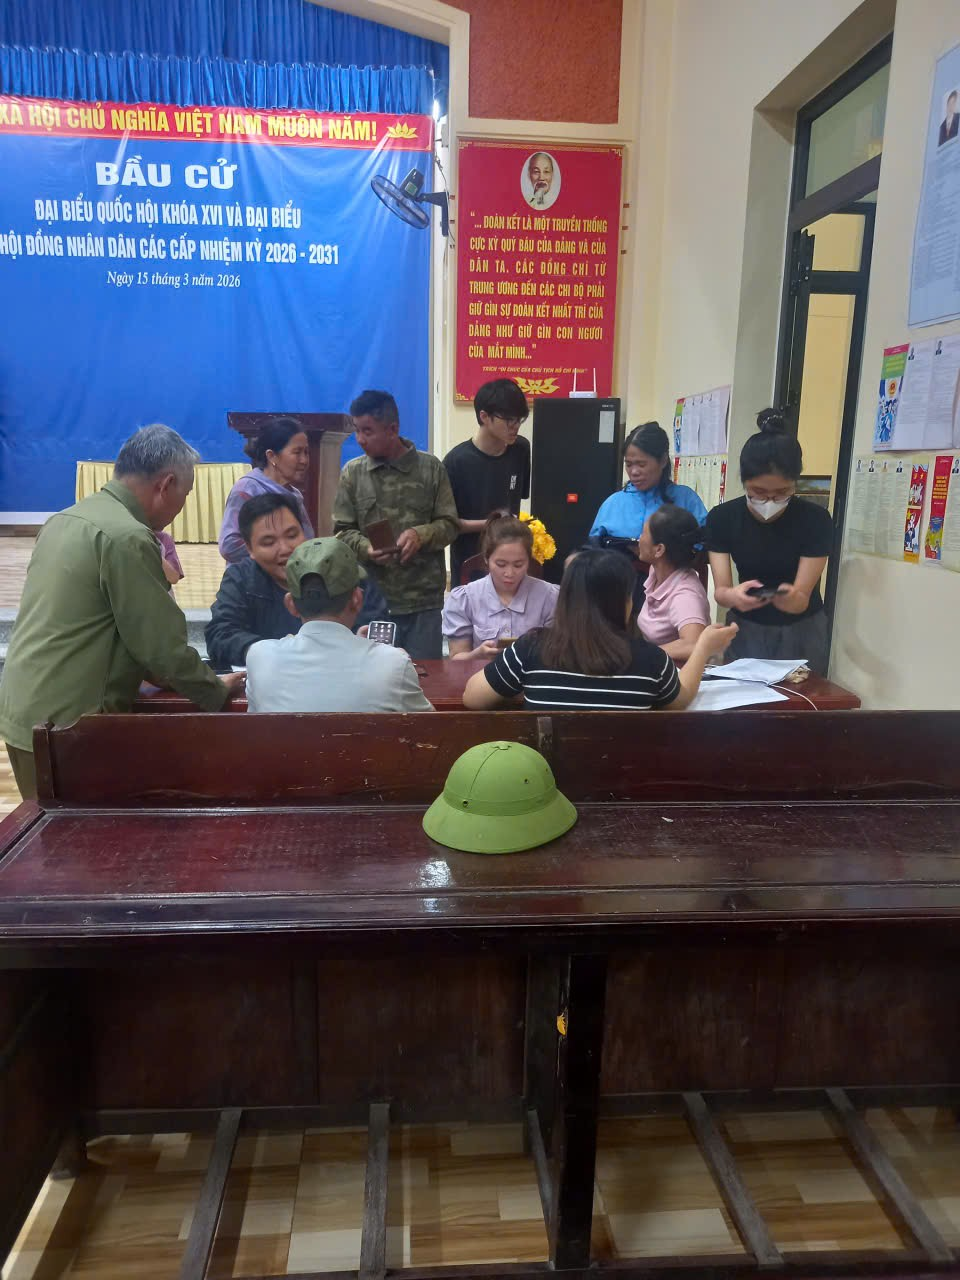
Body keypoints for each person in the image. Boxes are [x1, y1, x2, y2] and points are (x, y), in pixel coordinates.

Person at [0, 425, 243, 799]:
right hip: (71, 727)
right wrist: (213, 689)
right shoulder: (128, 537)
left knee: (49, 828)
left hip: (23, 712)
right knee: (81, 832)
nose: (182, 506)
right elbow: (160, 648)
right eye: (186, 494)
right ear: (166, 485)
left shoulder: (65, 519)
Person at [463, 548, 736, 712]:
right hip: (626, 780)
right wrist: (703, 648)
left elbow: (473, 699)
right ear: (623, 602)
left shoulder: (530, 649)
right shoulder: (651, 660)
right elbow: (680, 701)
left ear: (566, 598)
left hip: (547, 780)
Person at [705, 408, 834, 674]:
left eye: (782, 492)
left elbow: (801, 598)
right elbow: (721, 591)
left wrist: (791, 597)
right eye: (758, 492)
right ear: (744, 482)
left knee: (802, 696)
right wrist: (733, 596)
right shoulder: (722, 518)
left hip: (802, 629)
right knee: (742, 695)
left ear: (795, 484)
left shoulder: (815, 520)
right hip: (745, 627)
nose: (769, 501)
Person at [333, 390, 459, 659]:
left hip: (422, 603)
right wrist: (366, 548)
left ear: (392, 429)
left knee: (425, 676)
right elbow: (342, 532)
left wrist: (420, 534)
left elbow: (450, 524)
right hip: (371, 601)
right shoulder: (353, 473)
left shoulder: (431, 469)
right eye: (357, 430)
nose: (360, 439)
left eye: (368, 431)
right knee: (370, 676)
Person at [245, 538, 433, 713]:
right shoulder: (393, 665)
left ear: (291, 605)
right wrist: (385, 656)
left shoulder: (259, 658)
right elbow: (431, 729)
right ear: (357, 599)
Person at [443, 378, 531, 587]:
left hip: (509, 565)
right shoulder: (456, 461)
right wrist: (492, 524)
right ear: (484, 416)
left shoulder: (520, 449)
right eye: (509, 420)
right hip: (470, 564)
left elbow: (518, 500)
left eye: (519, 420)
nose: (516, 427)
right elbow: (448, 525)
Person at [205, 493, 306, 669]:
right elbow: (220, 635)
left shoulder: (331, 572)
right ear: (250, 549)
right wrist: (273, 652)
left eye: (292, 536)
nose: (285, 549)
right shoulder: (241, 579)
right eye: (269, 542)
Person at [442, 514, 559, 660]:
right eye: (501, 564)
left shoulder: (550, 597)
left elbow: (558, 655)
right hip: (480, 673)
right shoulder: (465, 599)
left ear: (529, 561)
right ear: (486, 559)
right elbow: (456, 658)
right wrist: (477, 655)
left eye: (518, 565)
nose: (509, 573)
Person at [589, 422, 707, 542]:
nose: (634, 472)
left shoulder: (686, 499)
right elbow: (593, 548)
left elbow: (704, 544)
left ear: (663, 461)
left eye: (641, 464)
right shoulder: (613, 503)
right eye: (628, 464)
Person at [219, 416, 314, 563]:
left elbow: (307, 542)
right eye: (297, 452)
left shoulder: (294, 495)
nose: (304, 460)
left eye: (306, 452)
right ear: (272, 456)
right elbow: (229, 546)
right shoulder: (247, 490)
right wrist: (272, 551)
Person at [635, 504, 711, 661]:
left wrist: (642, 656)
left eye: (643, 533)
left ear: (659, 550)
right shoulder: (656, 571)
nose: (638, 539)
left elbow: (693, 645)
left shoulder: (685, 595)